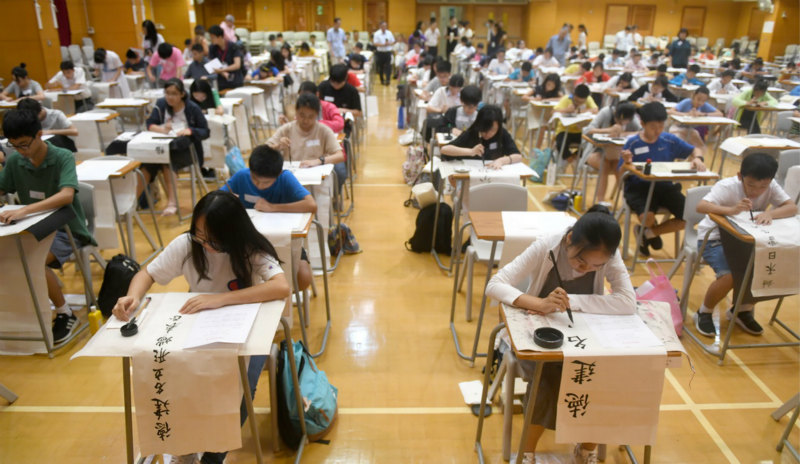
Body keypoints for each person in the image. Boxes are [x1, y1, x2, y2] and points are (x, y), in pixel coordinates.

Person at [111, 190, 289, 464]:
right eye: (200, 235)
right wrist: (133, 296)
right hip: (196, 328)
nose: (205, 244)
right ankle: (184, 449)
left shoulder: (249, 247)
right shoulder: (187, 244)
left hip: (245, 329)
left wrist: (220, 300)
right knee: (173, 379)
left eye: (214, 240)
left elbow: (281, 286)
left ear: (233, 232)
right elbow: (147, 274)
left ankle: (213, 456)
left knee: (241, 391)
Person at [485, 204, 635, 464]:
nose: (585, 269)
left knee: (603, 376)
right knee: (548, 376)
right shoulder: (546, 246)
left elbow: (627, 302)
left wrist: (571, 301)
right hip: (537, 338)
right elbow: (495, 285)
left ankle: (586, 449)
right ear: (569, 241)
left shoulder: (609, 255)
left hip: (584, 336)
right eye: (580, 261)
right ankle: (527, 453)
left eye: (596, 266)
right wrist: (540, 303)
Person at [0, 109, 96, 344]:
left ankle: (65, 312)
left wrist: (23, 210)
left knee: (31, 262)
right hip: (27, 230)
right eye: (14, 146)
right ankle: (21, 313)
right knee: (10, 259)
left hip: (67, 230)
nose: (21, 151)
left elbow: (66, 196)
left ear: (39, 135)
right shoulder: (15, 161)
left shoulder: (62, 156)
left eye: (24, 144)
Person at [694, 152, 797, 337]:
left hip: (748, 240)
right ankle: (704, 311)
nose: (756, 191)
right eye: (750, 185)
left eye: (762, 187)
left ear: (771, 181)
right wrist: (730, 210)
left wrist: (770, 214)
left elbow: (791, 207)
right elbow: (701, 206)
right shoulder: (727, 186)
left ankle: (742, 310)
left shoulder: (771, 186)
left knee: (767, 269)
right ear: (740, 176)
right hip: (715, 239)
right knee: (730, 275)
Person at [221, 145, 316, 290]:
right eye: (255, 180)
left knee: (302, 279)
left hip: (283, 239)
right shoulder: (241, 176)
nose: (259, 186)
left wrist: (273, 207)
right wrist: (226, 200)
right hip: (248, 241)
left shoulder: (285, 178)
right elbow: (216, 200)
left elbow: (311, 205)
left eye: (266, 182)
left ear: (278, 175)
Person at [619, 102, 706, 256]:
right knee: (647, 217)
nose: (658, 130)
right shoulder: (632, 143)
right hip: (639, 189)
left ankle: (648, 234)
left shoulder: (669, 140)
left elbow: (695, 149)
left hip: (665, 187)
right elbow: (620, 174)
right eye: (653, 127)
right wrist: (626, 163)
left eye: (661, 126)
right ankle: (648, 227)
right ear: (642, 124)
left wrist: (698, 158)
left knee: (690, 217)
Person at [143, 79, 210, 216]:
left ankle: (172, 203)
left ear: (182, 94)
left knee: (168, 160)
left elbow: (205, 131)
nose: (170, 97)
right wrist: (163, 130)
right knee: (145, 164)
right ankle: (130, 207)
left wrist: (190, 131)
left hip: (188, 151)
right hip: (162, 147)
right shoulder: (161, 104)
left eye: (174, 94)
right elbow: (150, 124)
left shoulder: (192, 108)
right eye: (167, 93)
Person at [266, 93, 347, 189]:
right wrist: (278, 146)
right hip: (292, 179)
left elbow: (340, 156)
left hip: (317, 179)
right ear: (296, 112)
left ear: (317, 115)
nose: (306, 121)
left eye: (310, 116)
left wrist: (318, 161)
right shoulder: (287, 129)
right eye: (302, 115)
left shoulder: (323, 130)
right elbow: (265, 149)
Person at [583, 102, 641, 204]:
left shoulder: (631, 116)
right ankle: (601, 201)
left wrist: (623, 134)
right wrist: (609, 130)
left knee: (619, 166)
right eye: (620, 120)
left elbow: (641, 131)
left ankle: (627, 201)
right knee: (604, 164)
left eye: (626, 121)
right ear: (616, 113)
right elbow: (587, 130)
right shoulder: (606, 112)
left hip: (617, 153)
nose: (623, 123)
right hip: (596, 151)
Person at [440, 104, 522, 167]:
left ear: (499, 126)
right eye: (484, 130)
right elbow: (445, 149)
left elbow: (518, 156)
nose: (487, 134)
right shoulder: (472, 133)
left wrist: (502, 161)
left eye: (492, 130)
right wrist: (471, 152)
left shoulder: (502, 133)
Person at [667, 87, 723, 155]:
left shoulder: (704, 105)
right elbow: (671, 111)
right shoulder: (687, 102)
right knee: (679, 144)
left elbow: (720, 114)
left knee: (699, 147)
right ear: (693, 96)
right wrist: (686, 114)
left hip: (690, 130)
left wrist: (703, 114)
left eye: (703, 101)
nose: (700, 102)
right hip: (677, 128)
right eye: (698, 99)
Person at [552, 84, 598, 161]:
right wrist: (566, 110)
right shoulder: (566, 99)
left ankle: (575, 157)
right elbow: (553, 111)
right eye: (576, 101)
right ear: (574, 95)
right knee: (560, 141)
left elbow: (595, 110)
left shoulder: (588, 99)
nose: (578, 103)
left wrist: (580, 111)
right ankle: (569, 158)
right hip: (564, 130)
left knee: (591, 142)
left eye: (581, 102)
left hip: (581, 132)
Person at [208, 25, 244, 91]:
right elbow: (213, 65)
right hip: (222, 82)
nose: (211, 40)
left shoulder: (233, 46)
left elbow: (237, 65)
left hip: (235, 80)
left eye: (213, 38)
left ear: (220, 37)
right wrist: (223, 73)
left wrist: (222, 70)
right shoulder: (212, 48)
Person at [373, 21, 395, 86]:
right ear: (380, 26)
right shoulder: (377, 34)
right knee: (381, 67)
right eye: (383, 26)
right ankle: (382, 80)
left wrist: (388, 44)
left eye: (385, 26)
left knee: (388, 66)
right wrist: (383, 45)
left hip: (388, 52)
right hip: (380, 52)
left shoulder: (389, 33)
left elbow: (393, 41)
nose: (384, 27)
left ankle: (388, 80)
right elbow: (375, 43)